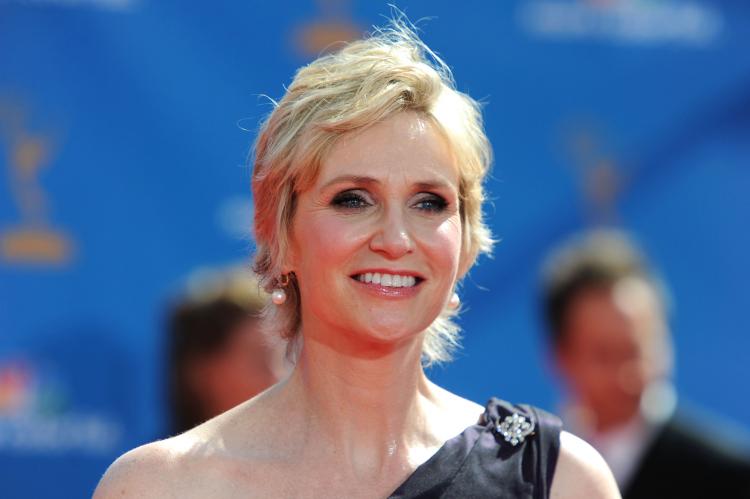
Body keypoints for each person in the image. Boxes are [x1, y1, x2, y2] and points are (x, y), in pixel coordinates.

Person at [94, 20, 619, 498]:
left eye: (428, 202)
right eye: (353, 199)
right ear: (280, 231)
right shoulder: (162, 486)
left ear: (464, 241)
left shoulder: (559, 480)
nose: (395, 238)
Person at [541, 229, 750, 499]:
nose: (628, 373)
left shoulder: (728, 475)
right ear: (561, 357)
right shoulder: (533, 468)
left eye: (637, 349)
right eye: (604, 355)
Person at [166, 267, 289, 435]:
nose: (279, 377)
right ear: (202, 372)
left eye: (288, 359)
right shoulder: (151, 460)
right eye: (260, 360)